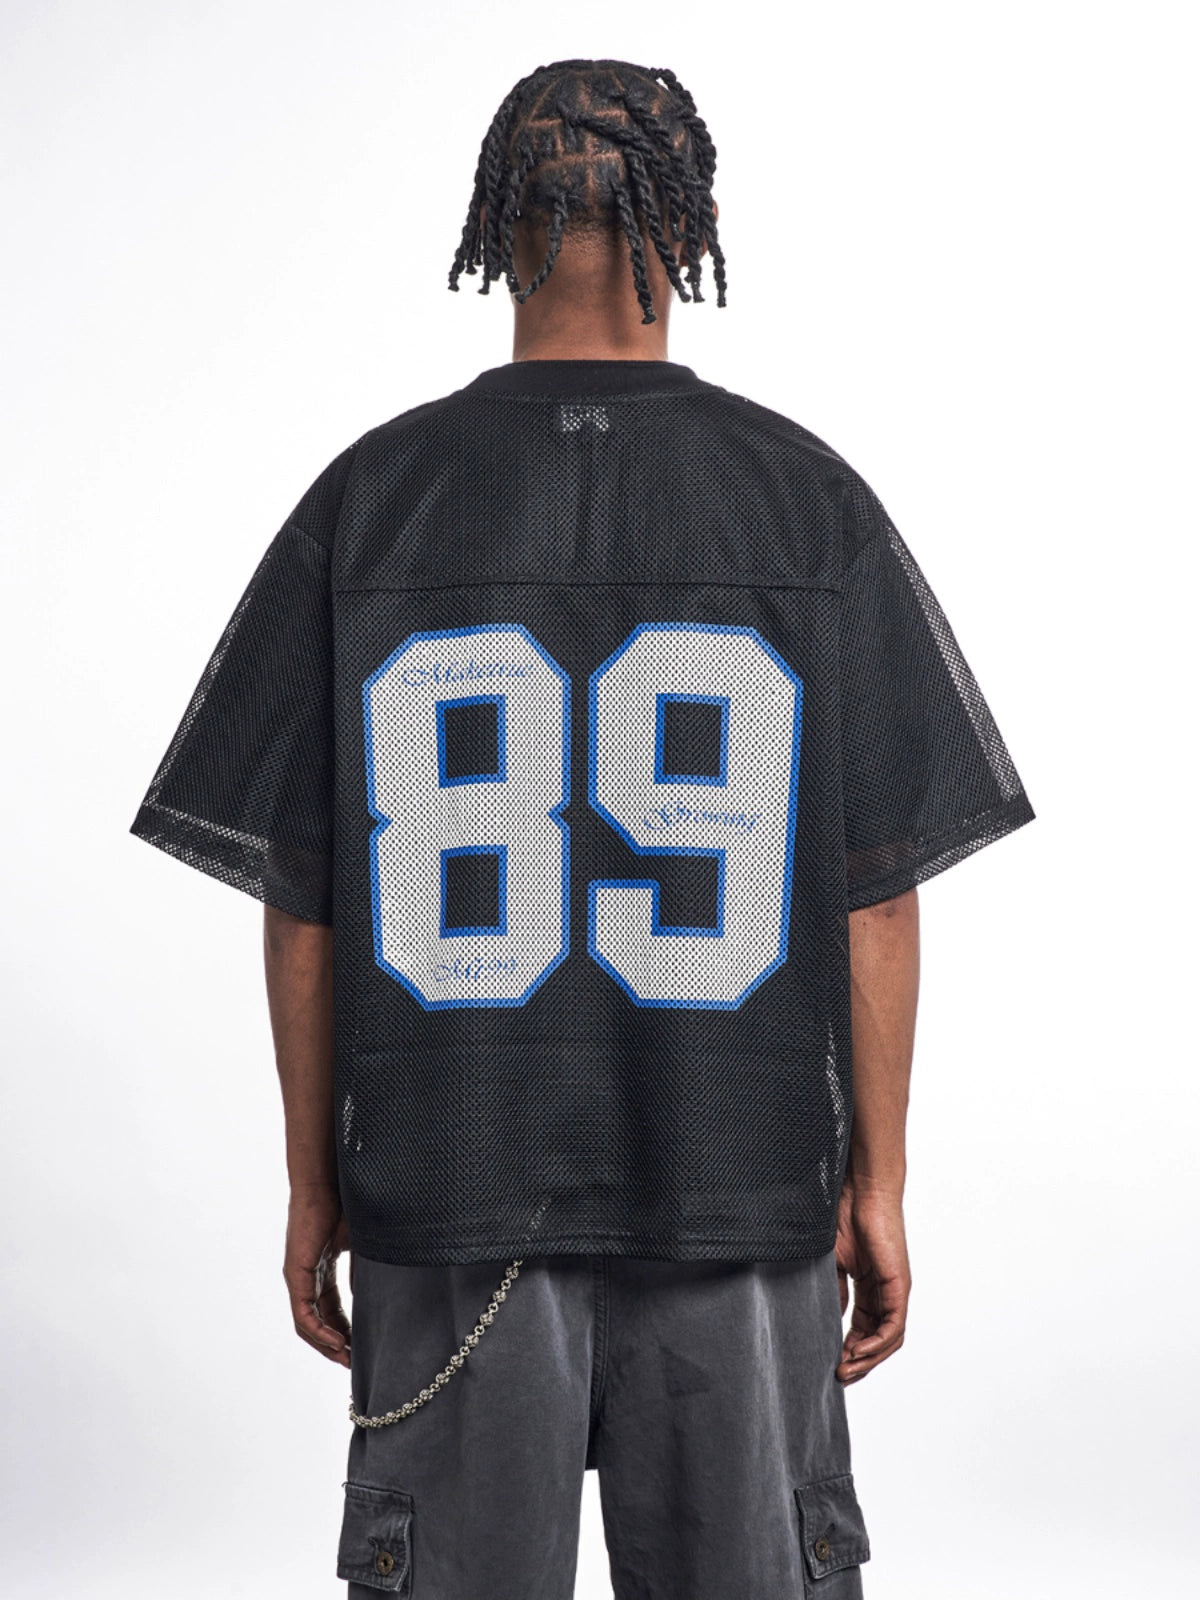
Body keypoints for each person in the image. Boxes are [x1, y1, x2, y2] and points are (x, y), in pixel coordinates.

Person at [129, 58, 1035, 1598]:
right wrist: (878, 1186)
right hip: (738, 1183)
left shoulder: (375, 495)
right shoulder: (802, 499)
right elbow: (876, 895)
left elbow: (305, 899)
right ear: (690, 226)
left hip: (451, 1183)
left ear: (502, 226)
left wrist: (314, 1182)